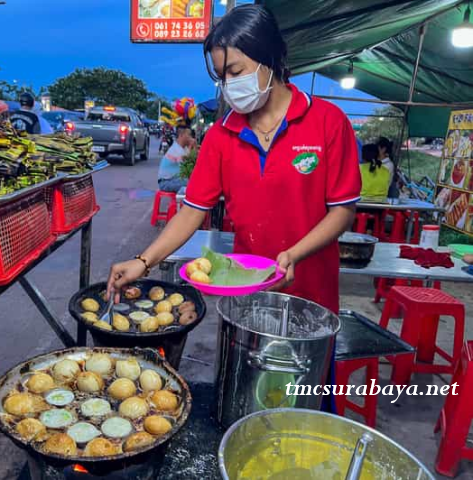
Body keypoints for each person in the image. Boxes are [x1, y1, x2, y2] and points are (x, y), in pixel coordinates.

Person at [108, 4, 361, 413]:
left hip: (312, 297)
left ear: (271, 60)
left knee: (307, 409)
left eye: (237, 71)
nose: (229, 85)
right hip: (246, 298)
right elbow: (192, 210)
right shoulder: (223, 136)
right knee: (244, 404)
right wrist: (144, 260)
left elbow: (342, 211)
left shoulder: (327, 122)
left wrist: (294, 254)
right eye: (221, 75)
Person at [157, 125, 195, 193]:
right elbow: (186, 165)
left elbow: (192, 161)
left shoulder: (183, 149)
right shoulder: (176, 149)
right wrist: (190, 146)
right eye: (188, 135)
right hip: (166, 182)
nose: (190, 138)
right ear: (181, 135)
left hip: (175, 179)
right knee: (192, 183)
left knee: (194, 181)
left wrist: (193, 147)